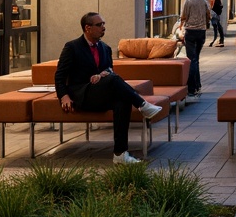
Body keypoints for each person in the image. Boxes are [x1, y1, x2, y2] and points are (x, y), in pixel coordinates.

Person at [54, 12, 167, 164]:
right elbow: (59, 75)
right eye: (99, 25)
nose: (103, 28)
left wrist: (102, 74)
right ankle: (142, 104)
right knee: (114, 81)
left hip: (100, 93)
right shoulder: (72, 47)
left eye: (104, 24)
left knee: (122, 101)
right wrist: (64, 96)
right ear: (87, 28)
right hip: (82, 94)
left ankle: (120, 154)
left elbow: (110, 71)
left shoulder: (105, 48)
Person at [179, 0, 210, 98]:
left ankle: (192, 88)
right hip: (201, 32)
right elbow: (208, 15)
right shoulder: (205, 1)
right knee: (196, 58)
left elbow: (184, 16)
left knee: (192, 59)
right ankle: (197, 85)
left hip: (190, 32)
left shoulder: (188, 0)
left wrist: (182, 27)